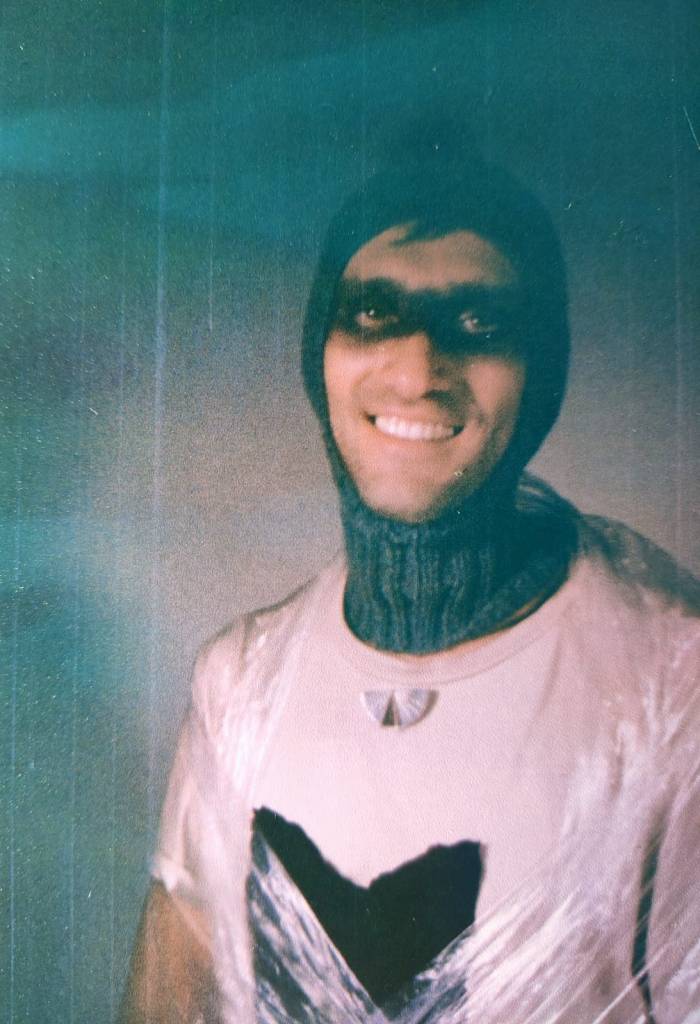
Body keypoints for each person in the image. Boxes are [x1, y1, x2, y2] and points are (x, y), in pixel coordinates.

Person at [120, 154, 699, 1024]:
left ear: (539, 373)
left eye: (479, 321)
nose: (418, 367)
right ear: (319, 356)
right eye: (374, 312)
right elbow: (177, 977)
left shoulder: (673, 684)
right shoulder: (239, 681)